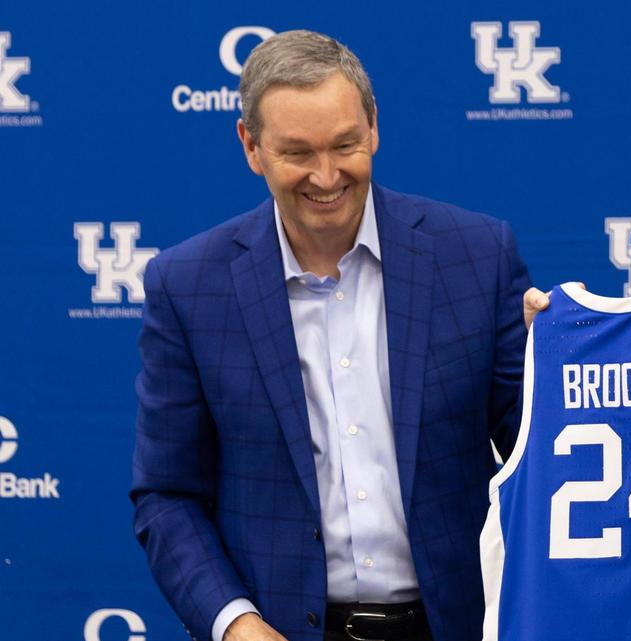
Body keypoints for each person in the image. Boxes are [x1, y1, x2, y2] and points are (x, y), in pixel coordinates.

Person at [131, 30, 530, 641]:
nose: (325, 176)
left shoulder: (476, 256)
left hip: (459, 625)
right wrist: (236, 624)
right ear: (251, 145)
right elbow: (167, 494)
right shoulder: (186, 286)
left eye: (345, 143)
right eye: (297, 152)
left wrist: (562, 362)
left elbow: (541, 444)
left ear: (373, 127)